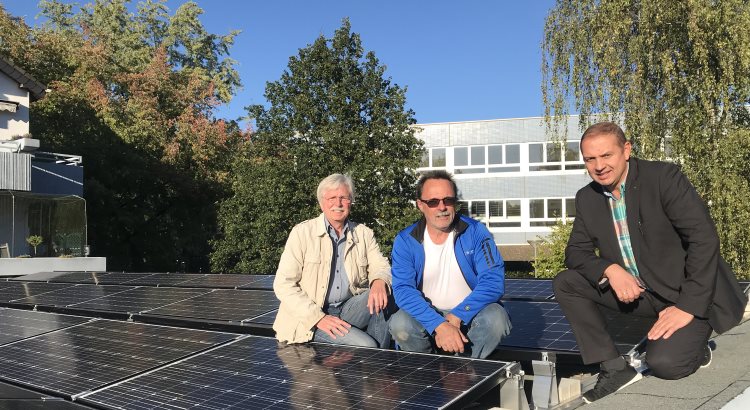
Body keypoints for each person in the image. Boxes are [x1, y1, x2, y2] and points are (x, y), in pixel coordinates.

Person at [554, 122, 748, 403]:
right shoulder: (588, 197)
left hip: (686, 294)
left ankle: (695, 345)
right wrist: (610, 269)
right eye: (590, 159)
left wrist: (687, 307)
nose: (599, 166)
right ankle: (614, 368)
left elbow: (703, 239)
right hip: (640, 294)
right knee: (566, 282)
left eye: (606, 155)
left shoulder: (662, 178)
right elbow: (576, 252)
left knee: (666, 364)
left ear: (626, 150)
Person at [389, 170, 512, 359]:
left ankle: (466, 368)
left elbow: (493, 282)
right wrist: (439, 324)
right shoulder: (406, 240)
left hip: (470, 313)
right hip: (427, 315)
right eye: (433, 202)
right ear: (420, 205)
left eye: (448, 200)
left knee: (497, 320)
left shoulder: (476, 232)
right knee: (400, 324)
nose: (442, 207)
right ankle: (427, 369)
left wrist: (457, 316)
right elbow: (403, 290)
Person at [273, 173, 392, 348]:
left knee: (384, 295)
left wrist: (380, 280)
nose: (338, 204)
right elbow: (283, 284)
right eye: (332, 198)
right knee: (366, 345)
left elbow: (380, 264)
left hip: (349, 308)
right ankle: (375, 357)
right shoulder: (302, 233)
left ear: (351, 201)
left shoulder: (363, 233)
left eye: (343, 198)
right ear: (321, 202)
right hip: (314, 316)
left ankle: (378, 361)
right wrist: (318, 318)